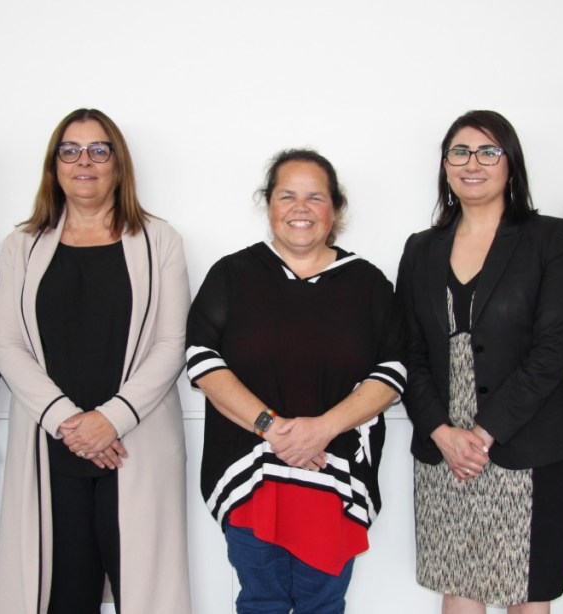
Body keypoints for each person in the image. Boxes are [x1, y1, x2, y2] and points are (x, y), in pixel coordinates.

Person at [187, 149, 406, 614]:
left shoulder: (367, 284)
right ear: (268, 205)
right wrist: (273, 429)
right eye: (287, 196)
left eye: (315, 197)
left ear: (335, 209)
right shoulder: (233, 274)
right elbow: (202, 360)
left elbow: (392, 372)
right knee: (260, 602)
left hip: (333, 474)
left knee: (323, 605)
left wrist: (321, 429)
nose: (300, 208)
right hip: (252, 476)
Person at [0, 108, 191, 614]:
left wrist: (110, 420)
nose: (85, 161)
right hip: (52, 444)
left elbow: (172, 344)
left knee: (144, 592)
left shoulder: (159, 240)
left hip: (132, 443)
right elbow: (7, 345)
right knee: (59, 595)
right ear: (54, 165)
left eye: (100, 150)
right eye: (71, 150)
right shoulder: (22, 246)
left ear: (118, 165)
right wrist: (70, 423)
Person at [397, 110, 563, 614]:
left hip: (523, 441)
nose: (472, 162)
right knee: (458, 587)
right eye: (459, 151)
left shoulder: (550, 238)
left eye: (488, 151)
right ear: (445, 166)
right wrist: (442, 431)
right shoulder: (420, 250)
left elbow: (554, 351)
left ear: (510, 164)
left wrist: (481, 435)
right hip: (443, 449)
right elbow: (407, 354)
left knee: (526, 593)